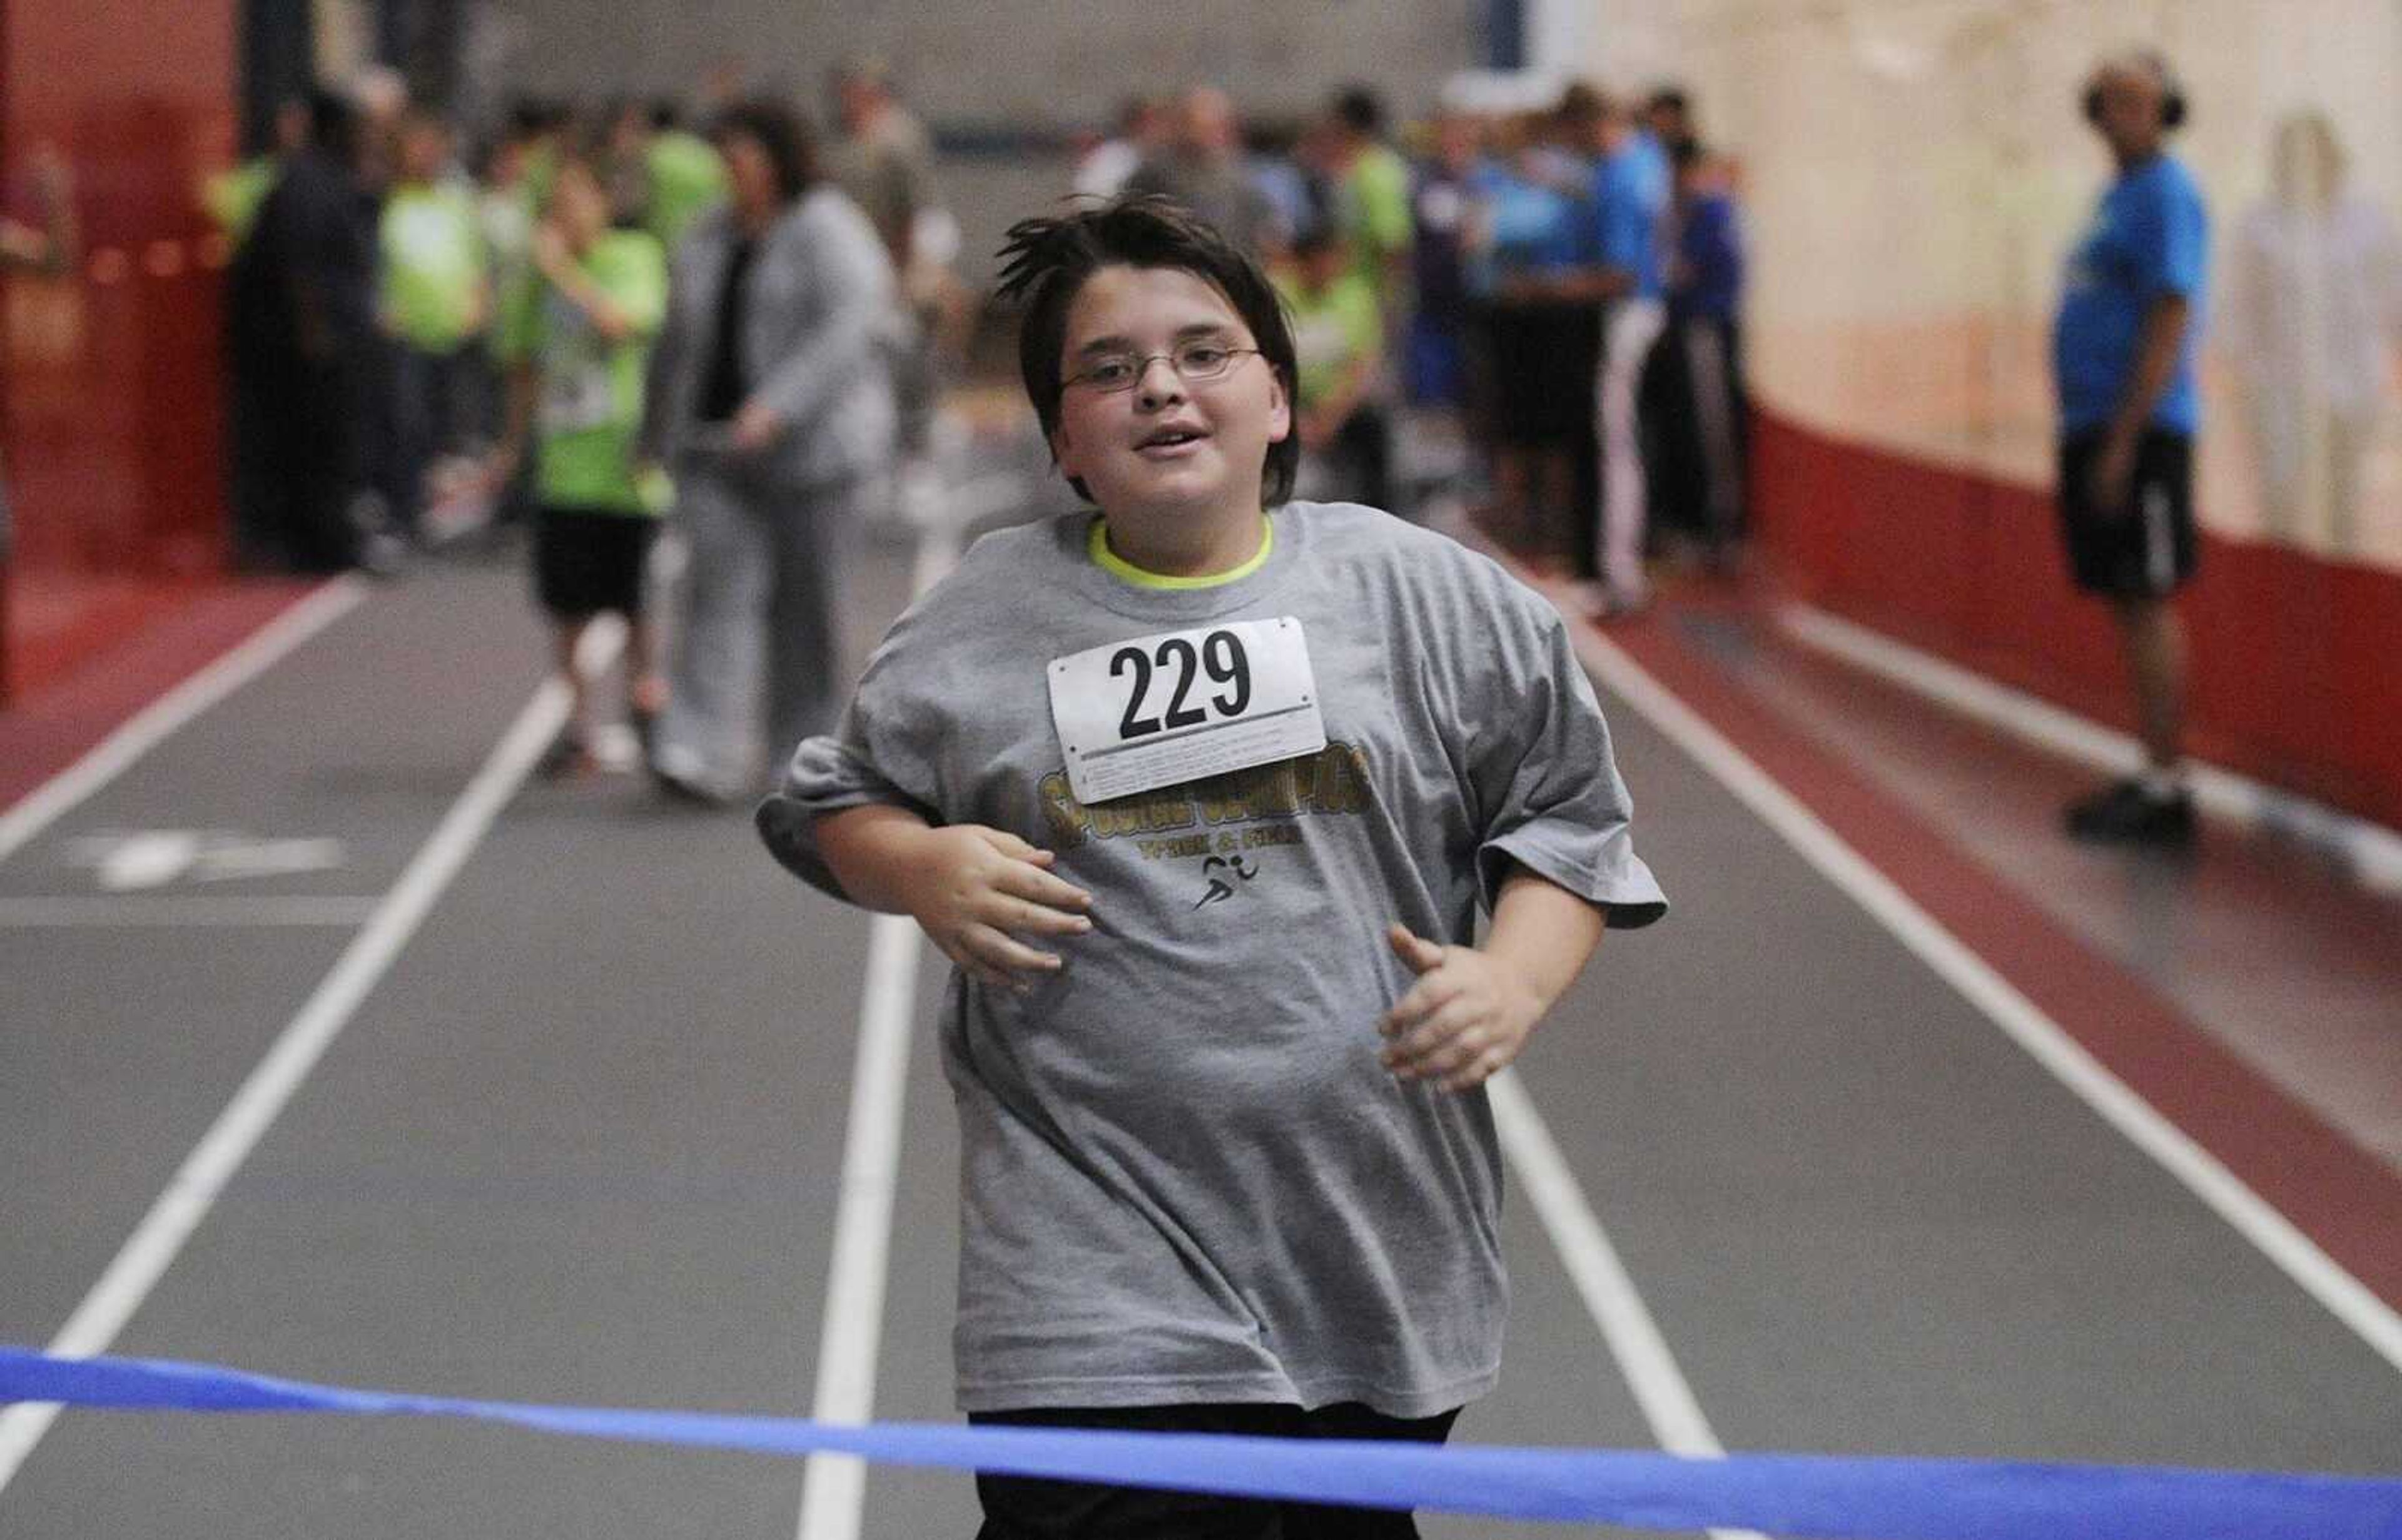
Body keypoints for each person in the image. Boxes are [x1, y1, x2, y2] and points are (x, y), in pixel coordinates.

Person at [756, 196, 1667, 1540]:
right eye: (1109, 369)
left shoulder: (1425, 598)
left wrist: (1512, 982)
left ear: (1282, 400)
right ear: (1063, 437)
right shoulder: (981, 620)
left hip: (1364, 1250)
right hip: (1086, 1263)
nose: (1160, 388)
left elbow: (1568, 819)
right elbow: (829, 799)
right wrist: (919, 864)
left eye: (1203, 352)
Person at [641, 98, 896, 803]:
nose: (728, 170)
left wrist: (776, 407)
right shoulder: (707, 235)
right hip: (716, 451)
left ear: (777, 157)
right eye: (722, 156)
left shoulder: (829, 229)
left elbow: (850, 328)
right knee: (712, 597)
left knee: (807, 612)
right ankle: (698, 747)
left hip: (816, 455)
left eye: (739, 155)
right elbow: (676, 342)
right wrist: (653, 433)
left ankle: (803, 748)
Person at [2052, 51, 2211, 845]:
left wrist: (2124, 439)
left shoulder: (2167, 195)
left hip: (2141, 434)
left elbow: (2170, 313)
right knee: (2123, 596)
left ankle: (2168, 784)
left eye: (2136, 102)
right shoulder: (2118, 196)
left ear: (2165, 109)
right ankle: (2151, 765)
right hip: (2096, 427)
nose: (2120, 115)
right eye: (2108, 101)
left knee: (2148, 600)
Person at [496, 141, 671, 778]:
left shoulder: (632, 257)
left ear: (602, 202)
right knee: (568, 606)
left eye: (574, 200)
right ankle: (579, 727)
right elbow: (521, 364)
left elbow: (621, 325)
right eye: (553, 205)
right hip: (564, 469)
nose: (563, 215)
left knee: (635, 602)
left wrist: (563, 273)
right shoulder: (532, 281)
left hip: (626, 466)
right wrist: (511, 446)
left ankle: (647, 699)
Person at [2220, 110, 2402, 557]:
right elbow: (2238, 310)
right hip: (2280, 391)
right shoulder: (2259, 224)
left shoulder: (2368, 221)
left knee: (2341, 508)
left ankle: (2343, 614)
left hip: (2352, 389)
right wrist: (2244, 382)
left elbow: (2393, 301)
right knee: (2282, 505)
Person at [227, 88, 380, 574]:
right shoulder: (307, 183)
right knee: (317, 446)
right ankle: (317, 544)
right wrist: (315, 334)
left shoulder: (326, 179)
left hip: (321, 341)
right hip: (307, 351)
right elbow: (301, 268)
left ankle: (320, 539)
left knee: (328, 446)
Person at [377, 109, 490, 542]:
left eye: (434, 146)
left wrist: (478, 302)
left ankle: (418, 504)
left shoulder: (456, 203)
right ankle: (401, 509)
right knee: (407, 422)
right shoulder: (388, 203)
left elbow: (474, 258)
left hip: (450, 331)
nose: (427, 155)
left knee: (437, 429)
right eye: (417, 146)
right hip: (404, 333)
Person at [1278, 225, 1389, 509]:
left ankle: (1378, 508)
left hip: (1339, 404)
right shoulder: (1277, 294)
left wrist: (1331, 416)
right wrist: (1294, 415)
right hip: (1289, 402)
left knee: (1373, 426)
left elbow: (1362, 363)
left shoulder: (1356, 296)